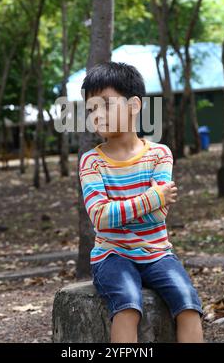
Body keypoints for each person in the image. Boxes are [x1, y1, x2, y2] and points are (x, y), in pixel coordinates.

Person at [78, 61, 204, 343]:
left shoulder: (159, 154)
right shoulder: (92, 161)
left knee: (188, 304)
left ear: (134, 105)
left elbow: (157, 216)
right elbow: (99, 217)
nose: (98, 115)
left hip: (158, 254)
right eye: (91, 109)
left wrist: (126, 210)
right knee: (127, 306)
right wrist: (152, 197)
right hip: (112, 256)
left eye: (107, 105)